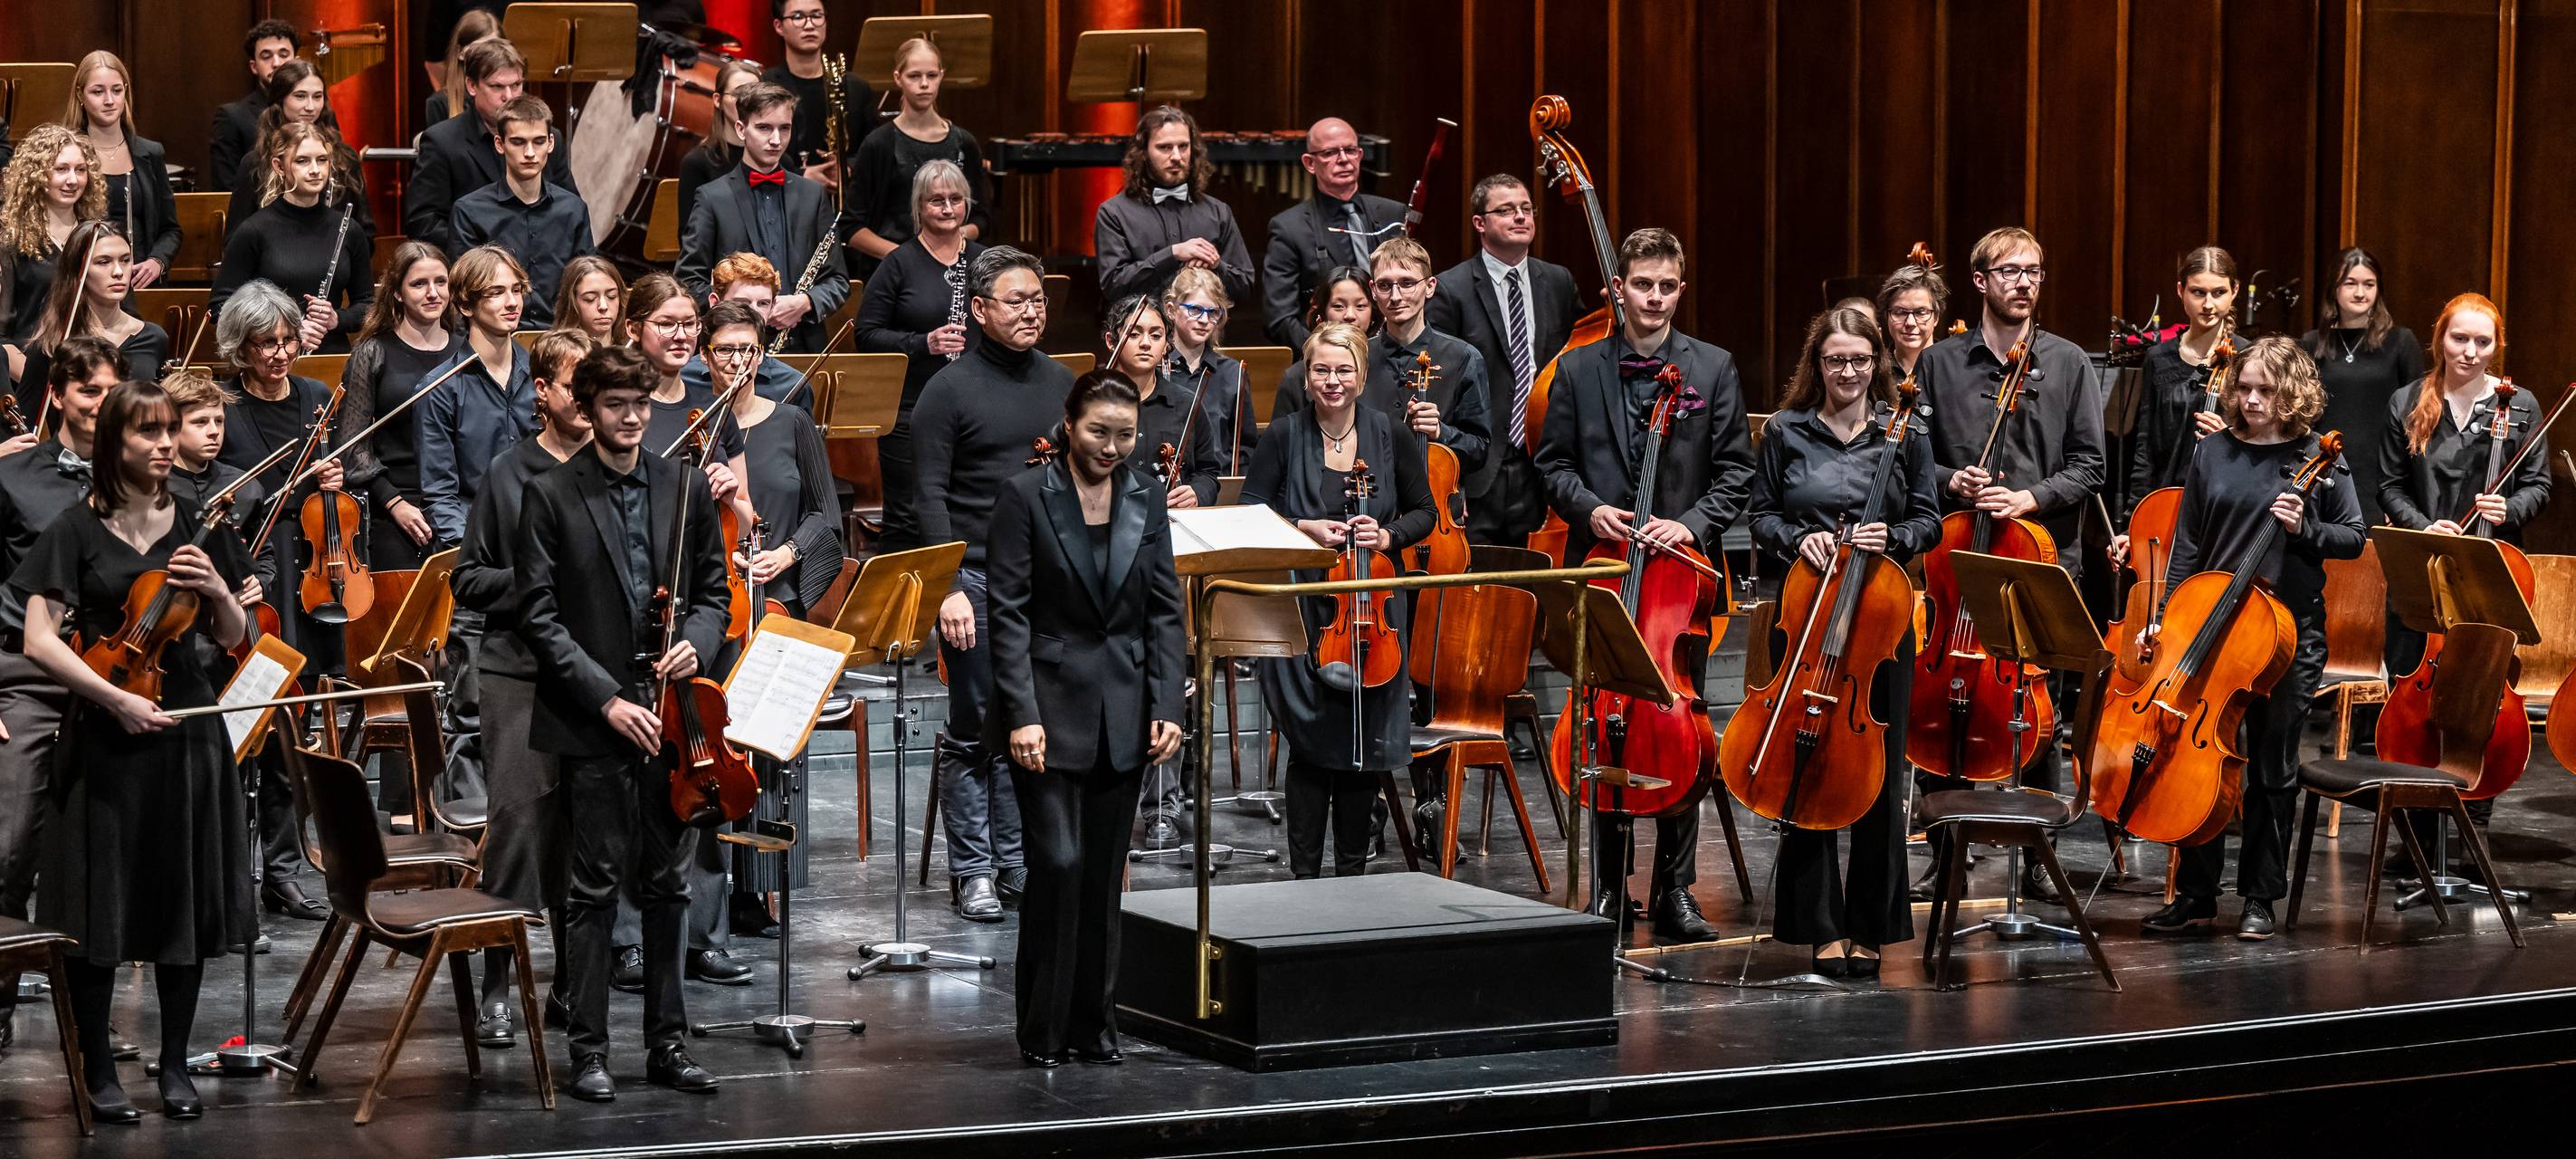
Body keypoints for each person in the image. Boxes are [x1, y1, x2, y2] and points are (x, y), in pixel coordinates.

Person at [13, 380, 255, 1124]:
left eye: (168, 432)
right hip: (107, 736)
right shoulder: (73, 529)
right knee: (101, 912)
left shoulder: (197, 524)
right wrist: (112, 696)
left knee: (177, 901)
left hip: (187, 731)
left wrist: (218, 587)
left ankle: (176, 1065)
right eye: (147, 434)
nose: (162, 445)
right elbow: (39, 638)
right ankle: (96, 1069)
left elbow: (234, 636)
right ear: (115, 443)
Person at [517, 344, 727, 1101]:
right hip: (597, 717)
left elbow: (714, 593)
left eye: (642, 406)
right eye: (616, 406)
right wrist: (606, 697)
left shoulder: (686, 485)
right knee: (595, 887)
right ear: (586, 407)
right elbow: (538, 617)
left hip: (675, 717)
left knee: (670, 885)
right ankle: (588, 1051)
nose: (633, 419)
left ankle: (667, 1044)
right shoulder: (550, 493)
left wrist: (693, 644)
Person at [1533, 226, 1749, 943]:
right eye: (1642, 285)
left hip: (1679, 578)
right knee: (1603, 716)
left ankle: (1676, 891)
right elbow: (1552, 464)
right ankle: (1604, 887)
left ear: (1680, 291)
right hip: (1604, 565)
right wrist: (1590, 509)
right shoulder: (1575, 369)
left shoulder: (1712, 368)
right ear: (1616, 288)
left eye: (1666, 287)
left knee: (1677, 719)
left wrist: (1687, 524)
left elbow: (1736, 476)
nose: (1654, 298)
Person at [2140, 336, 2364, 941]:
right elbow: (2188, 542)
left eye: (2266, 389)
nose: (2252, 398)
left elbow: (2354, 537)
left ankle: (2260, 896)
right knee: (2200, 757)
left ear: (2294, 393)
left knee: (2271, 766)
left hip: (2286, 635)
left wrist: (2308, 527)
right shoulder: (2213, 450)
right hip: (2211, 629)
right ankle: (2196, 894)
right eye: (2244, 387)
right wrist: (2169, 617)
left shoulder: (2319, 454)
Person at [989, 374, 1184, 1068]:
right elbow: (1007, 611)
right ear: (1068, 424)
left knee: (1102, 875)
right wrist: (1020, 713)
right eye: (1099, 431)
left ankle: (1093, 1026)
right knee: (1059, 864)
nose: (1112, 446)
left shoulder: (1145, 494)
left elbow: (1164, 609)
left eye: (1125, 434)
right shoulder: (1025, 496)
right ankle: (1041, 1027)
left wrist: (1167, 705)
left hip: (1124, 710)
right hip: (1046, 709)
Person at [1912, 225, 2104, 904]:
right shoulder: (1938, 364)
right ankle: (1946, 855)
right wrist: (1948, 481)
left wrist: (2031, 496)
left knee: (2036, 704)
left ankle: (2038, 852)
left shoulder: (2069, 362)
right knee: (1949, 702)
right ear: (1981, 281)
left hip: (2038, 557)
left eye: (2035, 270)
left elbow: (2090, 465)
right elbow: (1913, 458)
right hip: (1958, 557)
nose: (2025, 282)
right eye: (2011, 271)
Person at [1748, 308, 1938, 978]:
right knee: (1810, 768)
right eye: (1836, 360)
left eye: (1860, 360)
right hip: (1805, 613)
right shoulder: (1785, 432)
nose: (1848, 372)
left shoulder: (1905, 432)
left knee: (1879, 779)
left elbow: (1928, 520)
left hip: (1880, 627)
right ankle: (1818, 926)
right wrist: (1798, 538)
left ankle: (1871, 928)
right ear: (1817, 365)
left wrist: (1898, 538)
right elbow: (1761, 516)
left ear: (1876, 363)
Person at [910, 245, 1071, 921]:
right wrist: (946, 586)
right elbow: (928, 495)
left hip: (1045, 579)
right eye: (1016, 300)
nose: (1031, 310)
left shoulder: (1063, 383)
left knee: (1026, 723)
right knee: (975, 727)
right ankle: (971, 869)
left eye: (1037, 299)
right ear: (978, 310)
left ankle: (1014, 861)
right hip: (973, 578)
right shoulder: (947, 390)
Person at [1244, 322, 1435, 880]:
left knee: (1363, 744)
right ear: (1306, 376)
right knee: (1310, 743)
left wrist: (1389, 536)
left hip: (1373, 610)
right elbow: (1254, 509)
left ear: (1361, 375)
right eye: (1321, 369)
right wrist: (1304, 527)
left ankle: (1352, 876)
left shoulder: (1387, 434)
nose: (1332, 380)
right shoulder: (1283, 434)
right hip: (1303, 609)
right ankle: (1304, 880)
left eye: (1343, 369)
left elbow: (1424, 511)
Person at [453, 326, 592, 1048]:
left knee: (581, 834)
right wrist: (540, 583)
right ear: (544, 392)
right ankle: (498, 989)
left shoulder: (612, 469)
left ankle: (572, 986)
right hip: (518, 672)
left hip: (592, 679)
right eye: (577, 385)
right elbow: (468, 578)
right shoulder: (510, 473)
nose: (592, 401)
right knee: (518, 827)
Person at [707, 301, 842, 937]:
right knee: (718, 748)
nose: (737, 361)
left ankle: (763, 892)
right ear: (704, 356)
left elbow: (826, 517)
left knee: (773, 747)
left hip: (776, 598)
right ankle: (712, 893)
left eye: (748, 349)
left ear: (764, 354)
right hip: (716, 603)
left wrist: (785, 553)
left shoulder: (793, 423)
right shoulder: (692, 427)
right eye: (725, 350)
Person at [0, 339, 119, 972]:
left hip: (115, 679)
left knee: (103, 855)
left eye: (110, 391)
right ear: (57, 395)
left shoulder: (145, 482)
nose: (101, 404)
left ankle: (90, 1010)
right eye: (88, 390)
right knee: (11, 844)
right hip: (26, 679)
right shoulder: (11, 475)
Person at [1426, 174, 1584, 545]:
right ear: (1480, 223)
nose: (1520, 217)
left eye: (1526, 209)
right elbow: (1440, 390)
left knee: (1536, 586)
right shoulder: (1452, 289)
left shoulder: (1559, 281)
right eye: (1506, 210)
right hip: (1480, 467)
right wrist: (1451, 480)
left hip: (1542, 462)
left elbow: (1582, 358)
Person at [1275, 238, 1489, 489]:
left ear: (1430, 287)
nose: (1396, 296)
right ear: (1373, 290)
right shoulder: (1351, 360)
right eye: (1385, 285)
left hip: (1437, 509)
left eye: (1408, 283)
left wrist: (1442, 433)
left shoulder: (1464, 357)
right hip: (1362, 508)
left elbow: (1480, 450)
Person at [856, 158, 984, 551]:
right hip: (910, 409)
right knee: (908, 517)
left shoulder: (984, 260)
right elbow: (866, 333)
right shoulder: (899, 263)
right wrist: (921, 343)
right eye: (936, 201)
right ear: (919, 207)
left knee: (968, 510)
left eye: (955, 199)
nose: (947, 209)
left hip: (975, 405)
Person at [676, 81, 850, 355]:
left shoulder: (813, 195)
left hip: (804, 346)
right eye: (764, 128)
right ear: (741, 129)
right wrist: (744, 308)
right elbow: (689, 280)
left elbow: (837, 281)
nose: (776, 140)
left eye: (785, 128)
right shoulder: (712, 198)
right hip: (733, 347)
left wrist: (805, 302)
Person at [339, 243, 461, 570]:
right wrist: (395, 504)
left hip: (458, 504)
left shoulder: (466, 353)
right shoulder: (372, 353)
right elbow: (353, 448)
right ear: (397, 293)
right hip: (396, 506)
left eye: (441, 282)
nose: (433, 293)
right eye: (419, 284)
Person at [210, 121, 374, 355]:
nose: (315, 170)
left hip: (330, 355)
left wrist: (337, 318)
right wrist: (286, 329)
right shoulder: (254, 230)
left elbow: (369, 305)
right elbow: (220, 308)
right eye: (302, 161)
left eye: (322, 160)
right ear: (279, 166)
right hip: (271, 356)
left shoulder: (349, 229)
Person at [406, 37, 580, 255]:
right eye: (497, 86)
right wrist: (485, 256)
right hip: (474, 271)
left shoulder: (547, 136)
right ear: (471, 85)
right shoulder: (442, 142)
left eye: (516, 85)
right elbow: (423, 222)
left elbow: (569, 208)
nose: (509, 97)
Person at [415, 245, 531, 551]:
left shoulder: (543, 376)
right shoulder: (439, 387)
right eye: (496, 292)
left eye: (517, 290)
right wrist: (465, 555)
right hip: (479, 539)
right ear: (466, 305)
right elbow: (440, 492)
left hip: (542, 533)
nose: (512, 302)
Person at [846, 36, 991, 280]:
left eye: (932, 75)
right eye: (914, 76)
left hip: (954, 268)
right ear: (897, 78)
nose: (924, 84)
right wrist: (908, 257)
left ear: (941, 76)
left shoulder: (964, 142)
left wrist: (952, 240)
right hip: (894, 272)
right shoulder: (878, 144)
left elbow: (983, 216)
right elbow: (850, 226)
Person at [2304, 246, 2426, 525]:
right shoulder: (2311, 343)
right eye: (2351, 283)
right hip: (2324, 470)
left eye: (2369, 284)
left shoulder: (2400, 342)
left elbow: (2417, 420)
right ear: (2334, 288)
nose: (2360, 293)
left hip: (2381, 475)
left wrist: (2403, 496)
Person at [2119, 246, 2238, 526]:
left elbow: (2266, 443)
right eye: (2198, 292)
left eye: (2219, 293)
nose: (2208, 304)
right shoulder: (2158, 358)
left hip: (2226, 506)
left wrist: (2229, 437)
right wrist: (2132, 521)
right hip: (2166, 503)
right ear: (2180, 291)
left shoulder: (2248, 359)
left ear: (2235, 290)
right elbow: (2145, 447)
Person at [450, 96, 594, 328]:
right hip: (494, 338)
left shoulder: (573, 210)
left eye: (538, 141)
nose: (529, 152)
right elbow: (464, 294)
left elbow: (586, 282)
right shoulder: (469, 212)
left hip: (561, 337)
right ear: (500, 144)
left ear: (551, 143)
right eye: (518, 142)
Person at [1263, 118, 1405, 350]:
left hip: (1391, 354)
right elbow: (1279, 319)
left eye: (1350, 150)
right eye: (1330, 152)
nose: (1343, 159)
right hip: (1326, 362)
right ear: (1310, 163)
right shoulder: (1289, 228)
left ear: (1359, 155)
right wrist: (1330, 353)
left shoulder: (1393, 214)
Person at [627, 274, 753, 535]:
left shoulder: (716, 409)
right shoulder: (619, 410)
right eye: (666, 324)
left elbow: (743, 527)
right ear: (633, 329)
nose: (681, 335)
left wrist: (730, 499)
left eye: (689, 324)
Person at [1094, 105, 1254, 304]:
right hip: (1144, 332)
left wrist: (1216, 265)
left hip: (1204, 331)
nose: (1177, 157)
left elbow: (1244, 286)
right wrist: (1172, 254)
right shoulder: (1114, 213)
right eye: (1165, 147)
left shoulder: (1219, 212)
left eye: (1183, 146)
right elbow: (1114, 286)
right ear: (1143, 152)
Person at [62, 52, 177, 293]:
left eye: (116, 90)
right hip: (87, 286)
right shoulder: (67, 154)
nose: (109, 100)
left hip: (140, 284)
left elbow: (171, 229)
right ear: (80, 95)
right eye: (97, 92)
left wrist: (157, 262)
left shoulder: (150, 152)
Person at [224, 60, 372, 243]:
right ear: (280, 100)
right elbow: (235, 238)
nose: (310, 107)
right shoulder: (256, 161)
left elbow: (365, 232)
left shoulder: (345, 157)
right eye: (300, 96)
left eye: (317, 97)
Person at [1098, 294, 1217, 508]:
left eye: (1156, 335)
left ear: (1166, 346)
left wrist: (1198, 493)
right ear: (1111, 341)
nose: (1145, 343)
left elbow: (1208, 472)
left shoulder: (1186, 404)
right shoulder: (1091, 404)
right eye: (1134, 334)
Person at [21, 221, 167, 388]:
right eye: (104, 262)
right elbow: (31, 413)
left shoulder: (154, 338)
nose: (119, 272)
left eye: (125, 260)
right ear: (77, 271)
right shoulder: (52, 344)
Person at [0, 125, 100, 354]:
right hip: (31, 363)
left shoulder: (99, 234)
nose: (73, 180)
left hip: (93, 361)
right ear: (35, 175)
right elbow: (2, 336)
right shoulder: (11, 240)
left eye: (81, 169)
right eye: (61, 169)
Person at [209, 19, 336, 192]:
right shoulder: (232, 116)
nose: (276, 63)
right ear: (254, 66)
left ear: (296, 60)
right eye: (266, 56)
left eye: (284, 54)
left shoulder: (318, 110)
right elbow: (227, 190)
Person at [678, 253, 810, 410]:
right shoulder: (682, 379)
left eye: (763, 303)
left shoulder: (793, 385)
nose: (754, 313)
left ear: (773, 306)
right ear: (715, 302)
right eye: (741, 303)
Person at [1159, 266, 1255, 473]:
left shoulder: (1233, 373)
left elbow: (1244, 449)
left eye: (1213, 312)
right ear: (1171, 310)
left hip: (1218, 484)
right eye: (1195, 310)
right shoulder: (1155, 368)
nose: (1204, 320)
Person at [763, 0, 863, 193]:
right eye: (798, 17)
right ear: (778, 26)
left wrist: (846, 167)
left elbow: (872, 151)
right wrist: (800, 176)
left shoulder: (856, 88)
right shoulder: (765, 87)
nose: (809, 25)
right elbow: (753, 155)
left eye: (817, 16)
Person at [1270, 265, 1394, 412]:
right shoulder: (1295, 378)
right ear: (1322, 312)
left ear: (1373, 314)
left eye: (1360, 306)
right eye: (1338, 306)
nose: (1350, 315)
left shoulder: (1388, 369)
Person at [675, 60, 763, 228]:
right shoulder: (697, 163)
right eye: (738, 93)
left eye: (755, 94)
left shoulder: (777, 158)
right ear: (717, 100)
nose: (747, 101)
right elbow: (691, 239)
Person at [425, 7, 502, 130]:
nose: (487, 57)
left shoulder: (513, 97)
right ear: (460, 52)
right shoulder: (440, 103)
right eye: (478, 49)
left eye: (494, 48)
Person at [554, 255, 626, 350]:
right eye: (590, 298)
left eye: (611, 296)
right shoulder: (556, 353)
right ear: (572, 302)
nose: (603, 306)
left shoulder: (633, 347)